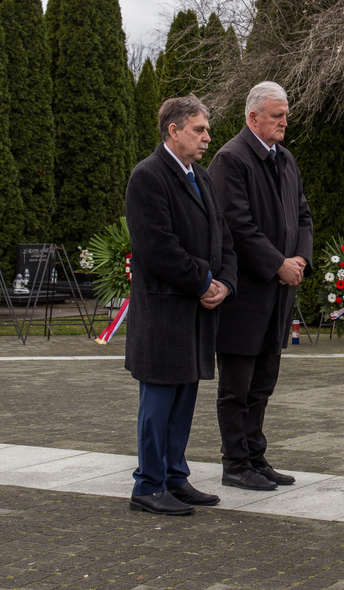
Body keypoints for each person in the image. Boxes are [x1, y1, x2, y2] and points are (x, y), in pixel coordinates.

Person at [125, 94, 237, 515]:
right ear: (173, 131)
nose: (207, 137)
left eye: (207, 130)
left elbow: (223, 237)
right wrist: (204, 281)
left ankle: (174, 477)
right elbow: (157, 246)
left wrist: (225, 283)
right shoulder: (148, 176)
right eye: (199, 129)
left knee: (184, 399)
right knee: (158, 403)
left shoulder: (200, 176)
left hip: (194, 313)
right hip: (164, 314)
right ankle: (148, 485)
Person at [208, 82, 313, 492]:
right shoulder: (231, 159)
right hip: (246, 295)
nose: (285, 122)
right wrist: (277, 264)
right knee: (237, 386)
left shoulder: (285, 159)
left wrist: (300, 258)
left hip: (279, 294)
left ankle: (255, 456)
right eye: (277, 115)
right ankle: (235, 463)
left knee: (263, 382)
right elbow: (236, 225)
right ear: (253, 117)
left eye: (285, 115)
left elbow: (302, 215)